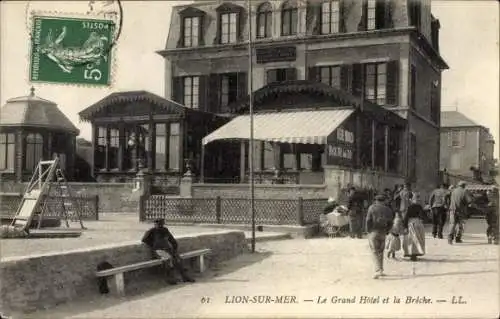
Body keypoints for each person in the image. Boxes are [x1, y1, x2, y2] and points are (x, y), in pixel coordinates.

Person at [142, 219, 195, 284]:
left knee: (178, 259)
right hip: (158, 250)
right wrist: (153, 245)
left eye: (160, 224)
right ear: (155, 224)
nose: (158, 225)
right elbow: (144, 240)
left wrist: (175, 249)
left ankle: (185, 277)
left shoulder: (165, 230)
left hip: (168, 249)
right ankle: (170, 279)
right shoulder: (151, 231)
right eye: (157, 224)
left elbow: (172, 240)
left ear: (163, 224)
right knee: (168, 260)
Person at [365, 194, 394, 279]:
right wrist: (388, 230)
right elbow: (391, 222)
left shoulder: (372, 208)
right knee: (381, 251)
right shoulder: (388, 209)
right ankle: (381, 269)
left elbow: (368, 220)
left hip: (374, 231)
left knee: (374, 251)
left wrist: (368, 230)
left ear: (376, 200)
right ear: (384, 201)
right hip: (383, 232)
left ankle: (377, 270)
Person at [402, 193, 426, 261]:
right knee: (418, 238)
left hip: (411, 223)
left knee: (412, 239)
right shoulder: (419, 207)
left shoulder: (410, 207)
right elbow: (423, 216)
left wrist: (405, 226)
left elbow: (406, 217)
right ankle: (415, 254)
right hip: (418, 223)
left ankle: (412, 254)